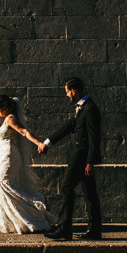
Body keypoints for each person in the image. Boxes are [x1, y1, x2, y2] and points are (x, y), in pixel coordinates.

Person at [0, 95, 55, 233]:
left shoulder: (10, 119)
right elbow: (11, 138)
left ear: (5, 108)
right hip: (6, 153)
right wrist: (0, 144)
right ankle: (7, 219)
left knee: (3, 183)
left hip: (10, 157)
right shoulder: (7, 119)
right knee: (4, 184)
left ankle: (31, 214)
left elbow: (23, 132)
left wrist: (39, 143)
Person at [39, 77, 102, 240]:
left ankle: (64, 228)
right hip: (79, 158)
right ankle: (94, 230)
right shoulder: (81, 108)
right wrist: (48, 142)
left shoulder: (90, 109)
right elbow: (68, 127)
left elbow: (94, 137)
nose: (67, 95)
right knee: (90, 194)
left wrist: (90, 162)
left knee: (67, 188)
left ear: (74, 91)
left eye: (67, 92)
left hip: (81, 159)